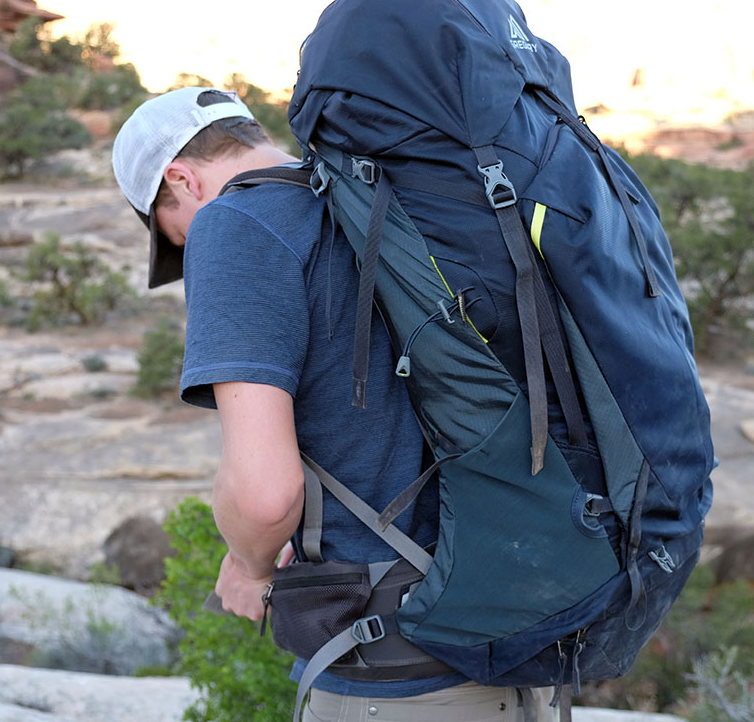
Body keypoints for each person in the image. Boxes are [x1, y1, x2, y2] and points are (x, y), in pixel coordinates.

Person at [112, 86, 554, 721]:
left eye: (171, 232)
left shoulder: (235, 222)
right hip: (510, 637)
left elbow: (266, 494)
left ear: (181, 179)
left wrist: (247, 564)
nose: (184, 248)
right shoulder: (377, 201)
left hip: (391, 674)